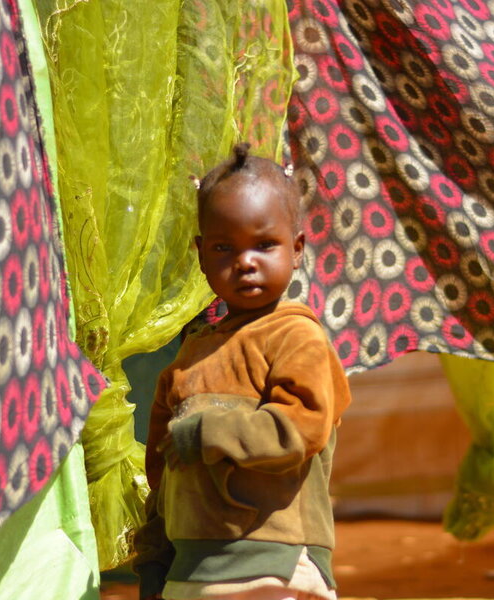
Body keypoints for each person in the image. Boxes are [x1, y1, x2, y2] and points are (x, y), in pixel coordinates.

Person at [133, 143, 352, 600]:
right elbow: (165, 469)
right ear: (200, 254)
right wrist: (155, 554)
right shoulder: (189, 357)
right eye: (223, 247)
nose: (245, 260)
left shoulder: (296, 337)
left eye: (264, 244)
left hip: (274, 561)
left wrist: (212, 430)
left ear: (296, 250)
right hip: (195, 568)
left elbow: (300, 429)